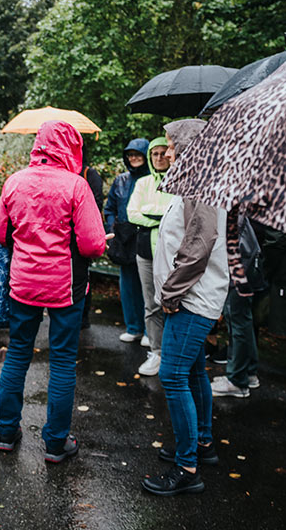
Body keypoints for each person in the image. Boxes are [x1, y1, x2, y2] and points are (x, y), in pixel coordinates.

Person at [0, 121, 106, 463]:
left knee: (16, 355)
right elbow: (93, 246)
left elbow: (0, 234)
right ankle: (56, 443)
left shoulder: (14, 182)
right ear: (72, 147)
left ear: (38, 145)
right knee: (61, 362)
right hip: (65, 288)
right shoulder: (77, 186)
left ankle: (6, 433)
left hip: (23, 283)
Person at [142, 118, 227, 497]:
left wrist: (171, 294)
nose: (167, 151)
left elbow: (198, 246)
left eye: (173, 145)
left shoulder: (202, 185)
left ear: (192, 146)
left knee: (174, 377)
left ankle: (187, 466)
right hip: (192, 296)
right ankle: (202, 444)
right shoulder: (196, 181)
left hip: (191, 300)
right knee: (193, 375)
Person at [126, 137, 174, 376]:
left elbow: (178, 213)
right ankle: (156, 352)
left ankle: (173, 353)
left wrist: (153, 214)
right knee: (151, 303)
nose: (158, 158)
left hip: (172, 252)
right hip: (145, 250)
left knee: (173, 302)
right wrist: (160, 218)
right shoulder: (144, 183)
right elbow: (132, 213)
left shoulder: (180, 181)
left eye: (163, 152)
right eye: (154, 154)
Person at [211, 215, 266, 397]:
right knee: (242, 319)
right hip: (247, 264)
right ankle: (249, 372)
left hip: (239, 264)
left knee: (237, 320)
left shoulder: (238, 198)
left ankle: (237, 380)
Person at [104, 138, 150, 343]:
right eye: (130, 154)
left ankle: (151, 332)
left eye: (138, 154)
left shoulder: (152, 179)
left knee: (148, 285)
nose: (134, 158)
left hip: (144, 234)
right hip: (123, 237)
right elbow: (110, 208)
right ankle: (133, 327)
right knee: (128, 285)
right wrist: (113, 228)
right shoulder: (121, 180)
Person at [80, 153, 104, 329]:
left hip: (83, 230)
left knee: (83, 273)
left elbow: (97, 202)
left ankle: (83, 316)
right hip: (66, 233)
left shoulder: (90, 174)